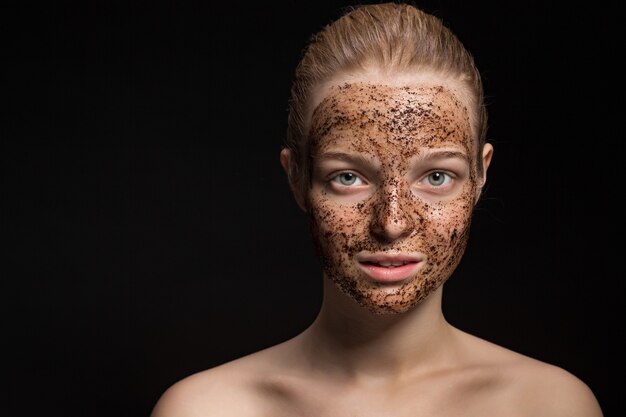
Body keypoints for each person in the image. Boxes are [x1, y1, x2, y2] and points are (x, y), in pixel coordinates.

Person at [150, 3, 603, 416]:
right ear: (297, 179)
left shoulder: (550, 405)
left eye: (436, 177)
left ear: (480, 176)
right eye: (348, 177)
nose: (392, 222)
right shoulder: (208, 409)